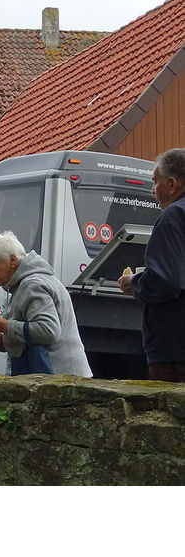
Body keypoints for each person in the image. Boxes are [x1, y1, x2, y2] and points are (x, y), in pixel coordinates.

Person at [0, 231, 92, 377]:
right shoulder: (29, 282)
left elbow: (48, 330)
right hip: (62, 375)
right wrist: (0, 340)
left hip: (58, 378)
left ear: (12, 260)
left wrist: (4, 326)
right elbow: (32, 336)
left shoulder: (32, 285)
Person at [119, 148, 185, 382]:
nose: (152, 190)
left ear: (172, 184)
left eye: (155, 182)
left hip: (174, 349)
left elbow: (166, 281)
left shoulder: (173, 217)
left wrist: (135, 282)